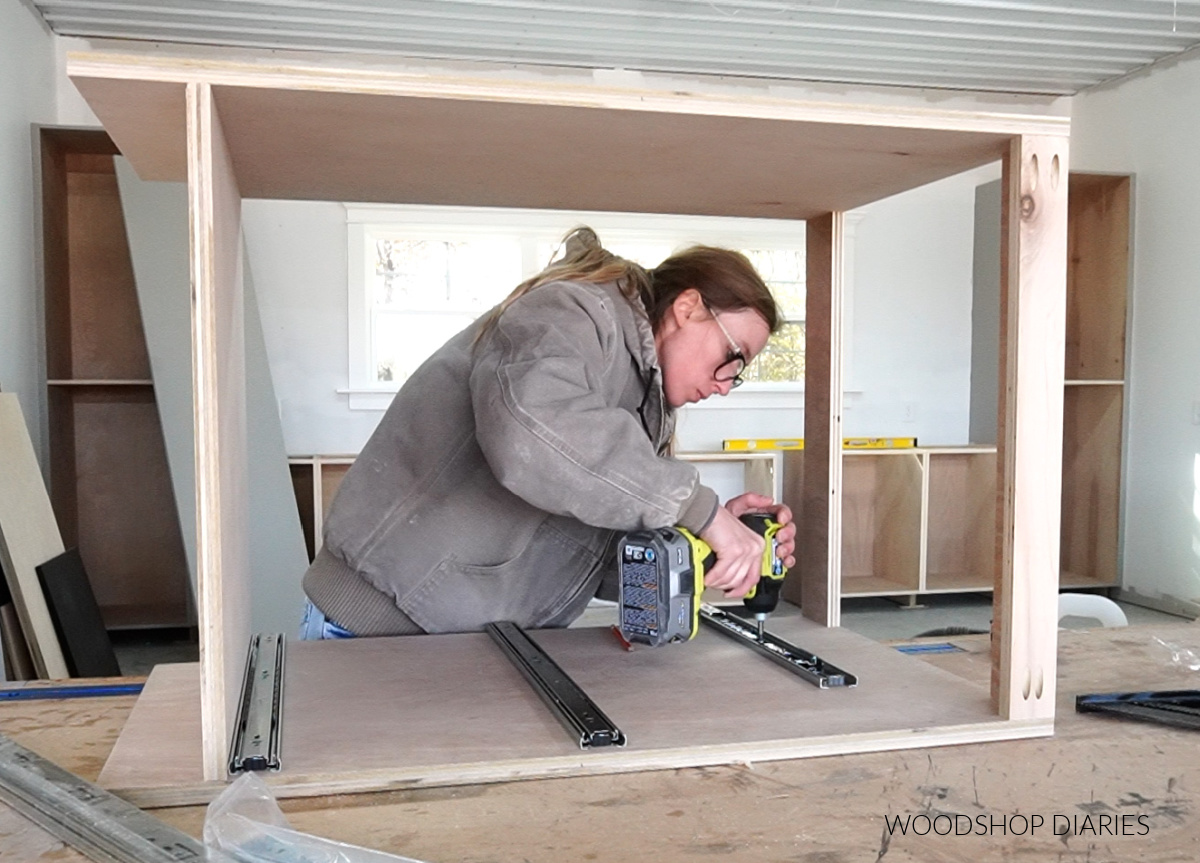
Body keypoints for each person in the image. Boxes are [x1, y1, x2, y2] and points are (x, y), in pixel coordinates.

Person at [299, 227, 797, 640]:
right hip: (378, 627)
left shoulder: (644, 401)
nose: (726, 386)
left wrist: (697, 547)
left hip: (471, 638)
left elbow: (582, 551)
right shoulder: (573, 312)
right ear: (688, 307)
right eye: (733, 359)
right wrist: (700, 509)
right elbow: (531, 433)